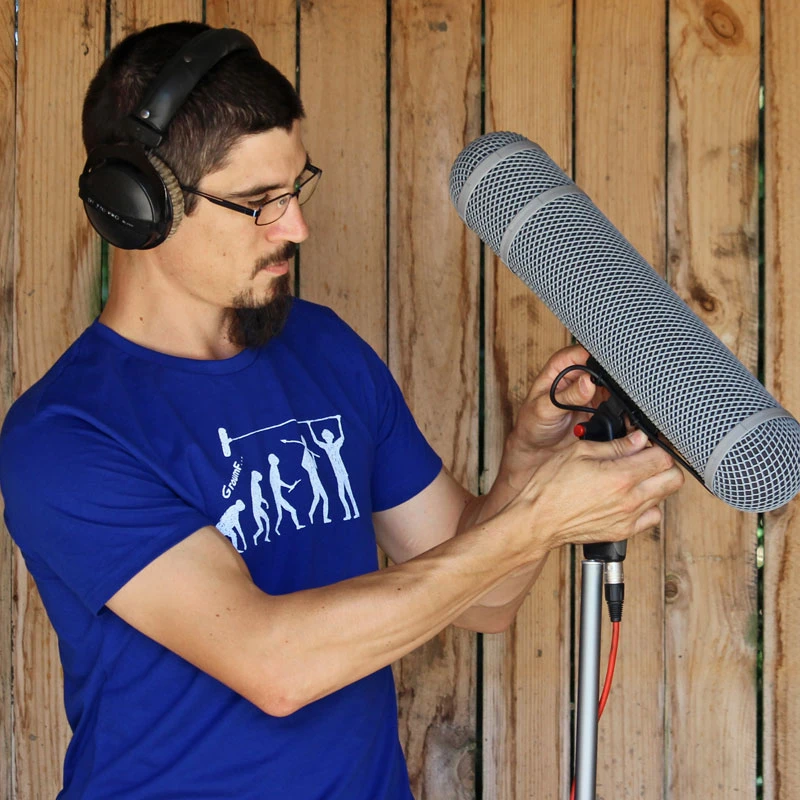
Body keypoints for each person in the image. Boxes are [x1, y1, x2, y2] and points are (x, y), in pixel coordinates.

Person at [0, 21, 684, 800]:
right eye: (260, 202)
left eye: (297, 187)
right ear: (139, 207)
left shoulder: (319, 346)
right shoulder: (64, 437)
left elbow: (485, 597)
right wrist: (537, 521)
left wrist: (530, 460)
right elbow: (276, 665)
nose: (297, 226)